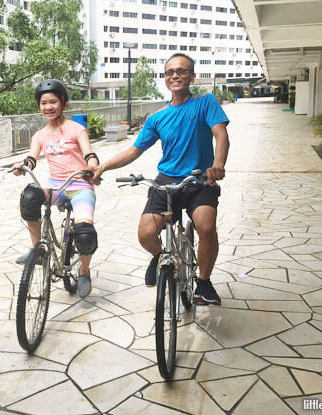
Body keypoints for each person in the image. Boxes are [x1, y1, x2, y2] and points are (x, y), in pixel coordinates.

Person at [87, 53, 230, 306]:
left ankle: (204, 284)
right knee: (146, 234)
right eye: (170, 72)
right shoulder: (157, 118)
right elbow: (134, 150)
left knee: (206, 227)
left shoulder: (206, 102)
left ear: (192, 76)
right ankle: (160, 257)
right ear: (165, 78)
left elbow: (220, 135)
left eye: (182, 71)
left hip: (199, 180)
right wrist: (104, 167)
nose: (175, 75)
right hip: (166, 181)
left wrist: (218, 164)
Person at [12, 79, 100, 299]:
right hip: (57, 187)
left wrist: (92, 166)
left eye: (53, 102)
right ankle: (38, 251)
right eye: (43, 103)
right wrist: (23, 166)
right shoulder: (40, 135)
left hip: (80, 186)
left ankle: (84, 272)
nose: (48, 107)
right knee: (30, 196)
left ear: (63, 103)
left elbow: (89, 154)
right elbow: (31, 157)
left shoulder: (77, 129)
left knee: (85, 234)